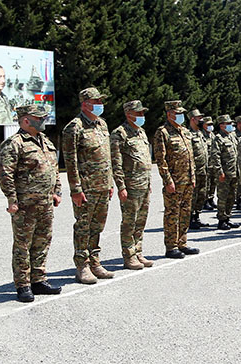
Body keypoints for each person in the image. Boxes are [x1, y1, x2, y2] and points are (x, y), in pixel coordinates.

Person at [0, 104, 62, 302]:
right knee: (23, 246)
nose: (43, 121)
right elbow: (5, 174)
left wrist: (56, 191)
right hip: (25, 206)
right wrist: (12, 199)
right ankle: (23, 285)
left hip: (45, 204)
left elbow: (54, 168)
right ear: (26, 120)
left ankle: (38, 280)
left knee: (42, 243)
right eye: (39, 118)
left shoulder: (45, 141)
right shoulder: (14, 143)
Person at [62, 87, 114, 284]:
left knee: (97, 226)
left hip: (102, 186)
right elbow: (70, 161)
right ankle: (82, 265)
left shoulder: (102, 125)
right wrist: (76, 189)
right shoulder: (74, 128)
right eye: (96, 101)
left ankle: (95, 261)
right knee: (83, 227)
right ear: (85, 104)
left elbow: (106, 157)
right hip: (86, 189)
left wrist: (110, 183)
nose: (100, 105)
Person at [109, 100, 154, 271]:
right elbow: (116, 162)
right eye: (139, 113)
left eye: (143, 113)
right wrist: (121, 186)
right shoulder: (119, 134)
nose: (142, 116)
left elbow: (145, 159)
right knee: (129, 222)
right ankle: (129, 256)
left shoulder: (141, 132)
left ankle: (138, 251)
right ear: (129, 114)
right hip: (131, 186)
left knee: (141, 221)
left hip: (143, 184)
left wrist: (149, 182)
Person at [153, 100, 199, 257]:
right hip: (174, 181)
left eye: (181, 113)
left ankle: (182, 242)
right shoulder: (163, 132)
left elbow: (190, 156)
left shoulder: (185, 131)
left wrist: (193, 176)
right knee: (172, 213)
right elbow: (161, 160)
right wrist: (167, 181)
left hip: (187, 180)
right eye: (177, 113)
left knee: (185, 212)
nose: (181, 116)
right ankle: (171, 246)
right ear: (169, 114)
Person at [211, 115, 241, 230]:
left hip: (234, 172)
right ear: (221, 125)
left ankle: (228, 217)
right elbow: (215, 156)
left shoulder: (232, 137)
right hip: (225, 173)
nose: (230, 126)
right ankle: (222, 219)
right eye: (228, 124)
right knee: (223, 197)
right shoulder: (218, 138)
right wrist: (219, 172)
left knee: (231, 197)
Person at [187, 108, 211, 230]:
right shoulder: (188, 134)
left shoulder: (200, 134)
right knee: (193, 196)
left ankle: (197, 216)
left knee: (202, 195)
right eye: (199, 118)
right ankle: (190, 218)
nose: (201, 120)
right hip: (195, 171)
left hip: (204, 171)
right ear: (192, 119)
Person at [202, 115, 218, 210]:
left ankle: (211, 199)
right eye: (208, 124)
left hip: (213, 163)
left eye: (211, 124)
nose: (210, 126)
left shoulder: (212, 135)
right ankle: (205, 200)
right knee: (206, 184)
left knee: (213, 183)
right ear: (203, 125)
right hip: (206, 164)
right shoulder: (202, 135)